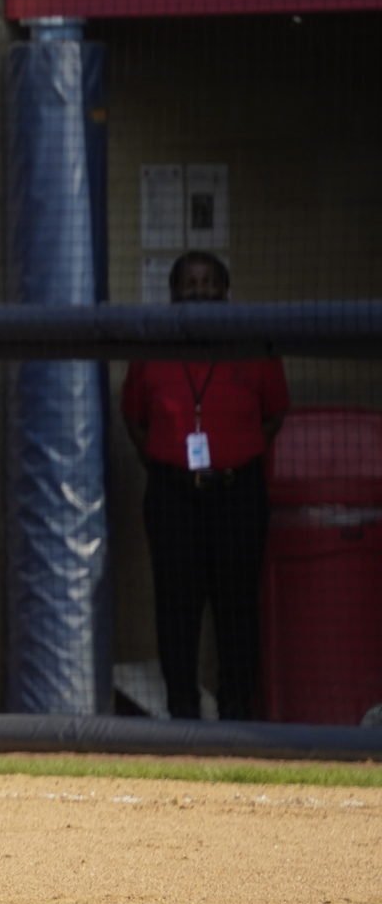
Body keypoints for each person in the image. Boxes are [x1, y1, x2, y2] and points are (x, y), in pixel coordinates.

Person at [122, 250, 288, 721]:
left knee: (237, 606)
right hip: (173, 494)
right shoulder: (154, 347)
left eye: (208, 281)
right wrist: (166, 459)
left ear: (225, 290)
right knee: (176, 607)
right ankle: (182, 712)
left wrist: (237, 452)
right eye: (190, 283)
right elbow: (134, 417)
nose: (199, 291)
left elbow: (275, 414)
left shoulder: (253, 344)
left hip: (238, 492)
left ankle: (237, 712)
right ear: (174, 294)